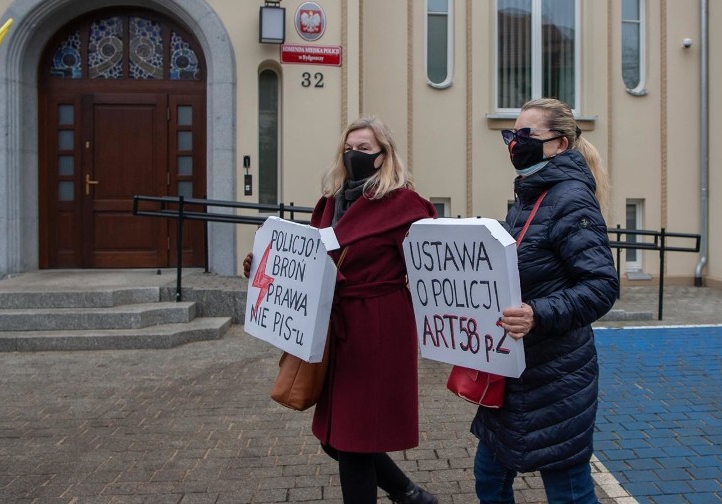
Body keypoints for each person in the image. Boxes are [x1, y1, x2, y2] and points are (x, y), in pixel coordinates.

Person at [244, 115, 439, 504]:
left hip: (376, 328)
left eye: (365, 149)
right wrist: (265, 266)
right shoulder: (330, 204)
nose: (355, 155)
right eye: (349, 148)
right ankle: (410, 494)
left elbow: (433, 270)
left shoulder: (407, 206)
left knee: (352, 443)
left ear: (384, 156)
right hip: (332, 329)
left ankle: (410, 494)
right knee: (337, 440)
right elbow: (311, 260)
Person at [471, 98, 619, 504]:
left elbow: (601, 285)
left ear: (561, 144)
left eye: (527, 136)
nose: (516, 144)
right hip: (515, 366)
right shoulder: (529, 196)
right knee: (489, 474)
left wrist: (538, 314)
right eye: (512, 135)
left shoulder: (570, 198)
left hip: (557, 373)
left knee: (567, 488)